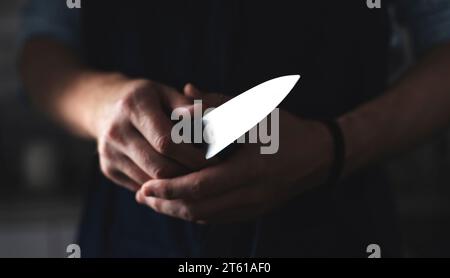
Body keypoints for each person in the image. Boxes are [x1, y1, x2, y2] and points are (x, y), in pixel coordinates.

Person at [19, 0, 450, 257]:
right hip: (130, 236)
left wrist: (334, 145)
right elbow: (44, 42)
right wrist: (103, 104)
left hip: (337, 230)